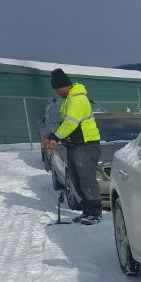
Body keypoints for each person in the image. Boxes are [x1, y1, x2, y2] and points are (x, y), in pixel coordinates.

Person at [41, 69, 102, 225]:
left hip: (86, 145)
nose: (56, 92)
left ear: (65, 86)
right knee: (76, 179)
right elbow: (66, 124)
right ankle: (87, 210)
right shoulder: (68, 99)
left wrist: (55, 136)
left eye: (57, 89)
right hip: (75, 145)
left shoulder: (77, 99)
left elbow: (70, 124)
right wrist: (54, 137)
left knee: (86, 180)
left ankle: (95, 213)